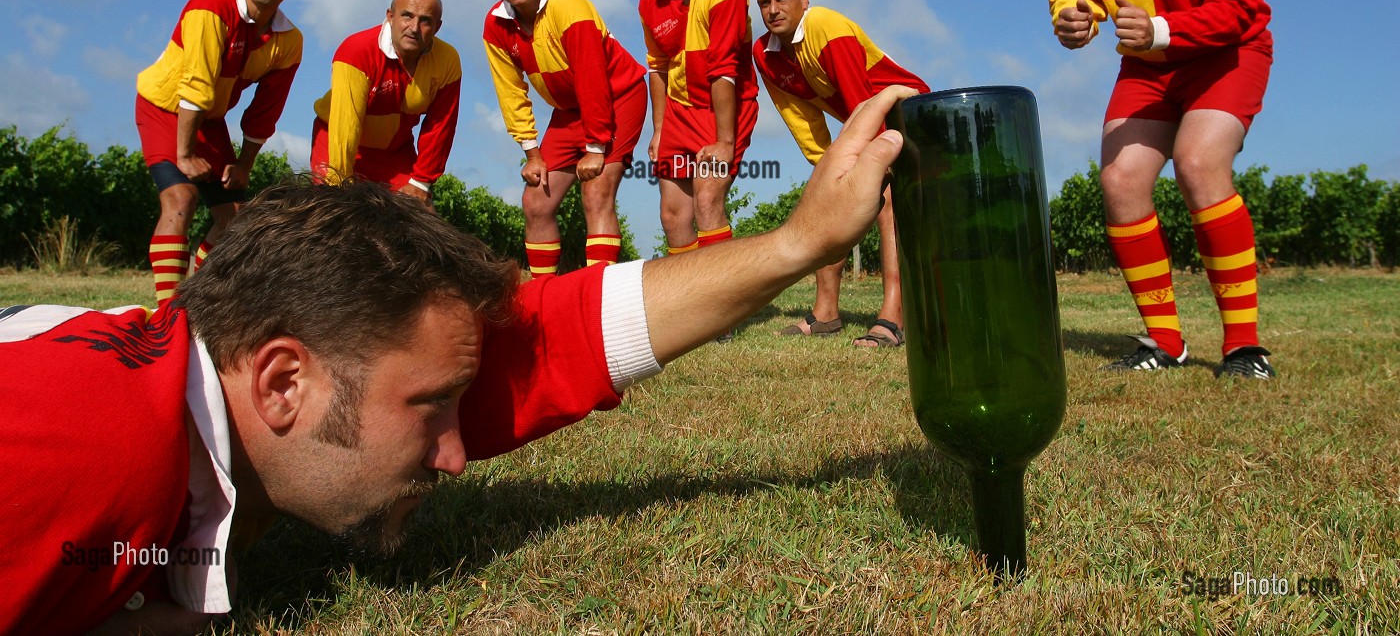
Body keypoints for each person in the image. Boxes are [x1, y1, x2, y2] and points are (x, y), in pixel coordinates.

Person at [0, 86, 916, 636]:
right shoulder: (89, 450)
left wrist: (797, 244)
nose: (455, 453)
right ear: (282, 381)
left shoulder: (244, 392)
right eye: (433, 406)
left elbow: (553, 337)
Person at [1050, 0, 1275, 378]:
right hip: (1147, 66)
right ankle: (1165, 342)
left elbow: (1240, 7)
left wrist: (1160, 31)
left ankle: (1243, 347)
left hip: (1226, 53)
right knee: (1121, 182)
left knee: (1200, 165)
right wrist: (1072, 19)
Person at [752, 0, 930, 348]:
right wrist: (826, 169)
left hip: (908, 115)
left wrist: (871, 165)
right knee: (827, 202)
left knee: (886, 206)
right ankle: (826, 314)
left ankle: (894, 316)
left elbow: (861, 100)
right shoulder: (764, 54)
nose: (773, 10)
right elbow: (799, 117)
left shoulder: (827, 29)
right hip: (863, 120)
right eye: (764, 3)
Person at [135, 0, 303, 303]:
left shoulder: (289, 41)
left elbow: (266, 109)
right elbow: (197, 82)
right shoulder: (211, 4)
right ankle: (169, 313)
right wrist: (183, 155)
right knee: (181, 197)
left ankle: (197, 295)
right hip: (165, 106)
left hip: (208, 118)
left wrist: (244, 165)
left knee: (238, 217)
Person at [483, 0, 646, 275]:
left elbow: (592, 78)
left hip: (617, 96)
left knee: (596, 192)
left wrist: (596, 147)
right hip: (570, 109)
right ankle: (545, 297)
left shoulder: (568, 4)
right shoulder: (495, 25)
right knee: (535, 202)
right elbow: (510, 91)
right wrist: (532, 153)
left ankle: (599, 297)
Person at [638, 0, 759, 259]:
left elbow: (723, 68)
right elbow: (657, 66)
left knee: (707, 199)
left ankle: (722, 305)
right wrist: (659, 130)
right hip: (677, 110)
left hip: (724, 107)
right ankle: (691, 304)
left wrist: (725, 140)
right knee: (672, 214)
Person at [311, 0, 461, 205]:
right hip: (338, 144)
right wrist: (338, 184)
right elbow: (346, 126)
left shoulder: (448, 60)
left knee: (421, 219)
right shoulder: (356, 50)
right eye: (407, 16)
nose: (414, 28)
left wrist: (421, 182)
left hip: (395, 152)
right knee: (336, 216)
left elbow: (441, 126)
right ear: (390, 16)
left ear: (437, 27)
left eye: (425, 21)